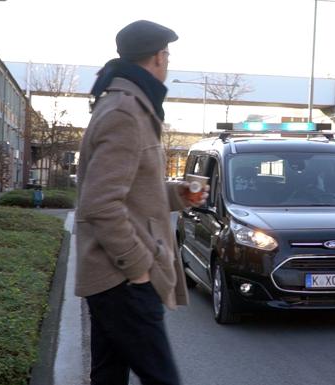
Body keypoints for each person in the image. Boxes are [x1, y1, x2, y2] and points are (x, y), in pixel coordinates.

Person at [75, 20, 207, 385]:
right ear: (158, 57)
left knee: (108, 375)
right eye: (167, 55)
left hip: (113, 278)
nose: (168, 62)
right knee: (162, 378)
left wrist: (176, 195)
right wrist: (139, 269)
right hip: (122, 279)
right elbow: (100, 204)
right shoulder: (125, 113)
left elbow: (127, 192)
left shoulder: (126, 106)